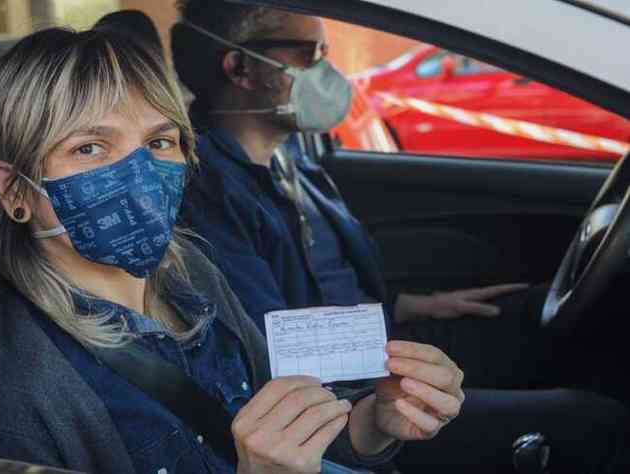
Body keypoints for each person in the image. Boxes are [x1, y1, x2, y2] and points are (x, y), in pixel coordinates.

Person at [0, 26, 467, 474]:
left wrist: (374, 422)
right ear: (15, 189)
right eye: (89, 147)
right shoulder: (6, 385)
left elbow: (288, 430)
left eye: (159, 142)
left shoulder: (191, 273)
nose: (138, 174)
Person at [171, 2, 627, 472]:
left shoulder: (291, 160)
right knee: (598, 423)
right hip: (347, 396)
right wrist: (379, 388)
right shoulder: (210, 193)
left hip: (382, 346)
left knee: (537, 315)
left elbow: (331, 282)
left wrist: (417, 305)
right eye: (311, 54)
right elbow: (271, 341)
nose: (328, 70)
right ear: (241, 68)